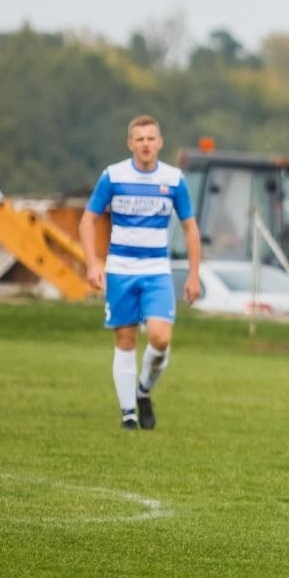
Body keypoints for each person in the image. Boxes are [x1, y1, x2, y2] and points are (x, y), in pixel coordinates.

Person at [79, 115, 201, 431]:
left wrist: (193, 275)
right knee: (126, 338)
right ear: (130, 143)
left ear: (160, 143)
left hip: (156, 270)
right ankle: (128, 415)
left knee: (161, 338)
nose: (145, 144)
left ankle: (143, 390)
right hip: (120, 270)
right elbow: (88, 220)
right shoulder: (113, 176)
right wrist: (92, 263)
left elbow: (190, 228)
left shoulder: (174, 179)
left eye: (150, 138)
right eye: (139, 139)